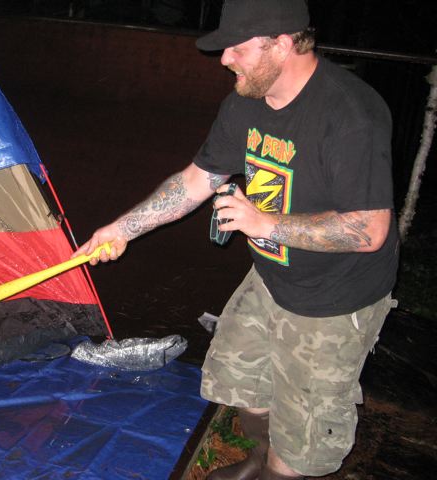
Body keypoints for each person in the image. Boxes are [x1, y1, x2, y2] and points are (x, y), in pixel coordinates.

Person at [74, 0, 399, 478]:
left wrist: (264, 224)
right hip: (270, 278)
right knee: (238, 378)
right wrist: (121, 229)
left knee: (304, 437)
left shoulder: (351, 114)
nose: (224, 59)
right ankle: (258, 459)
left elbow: (368, 230)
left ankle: (277, 471)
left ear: (282, 44)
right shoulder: (246, 102)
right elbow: (196, 181)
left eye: (237, 48)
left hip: (334, 298)